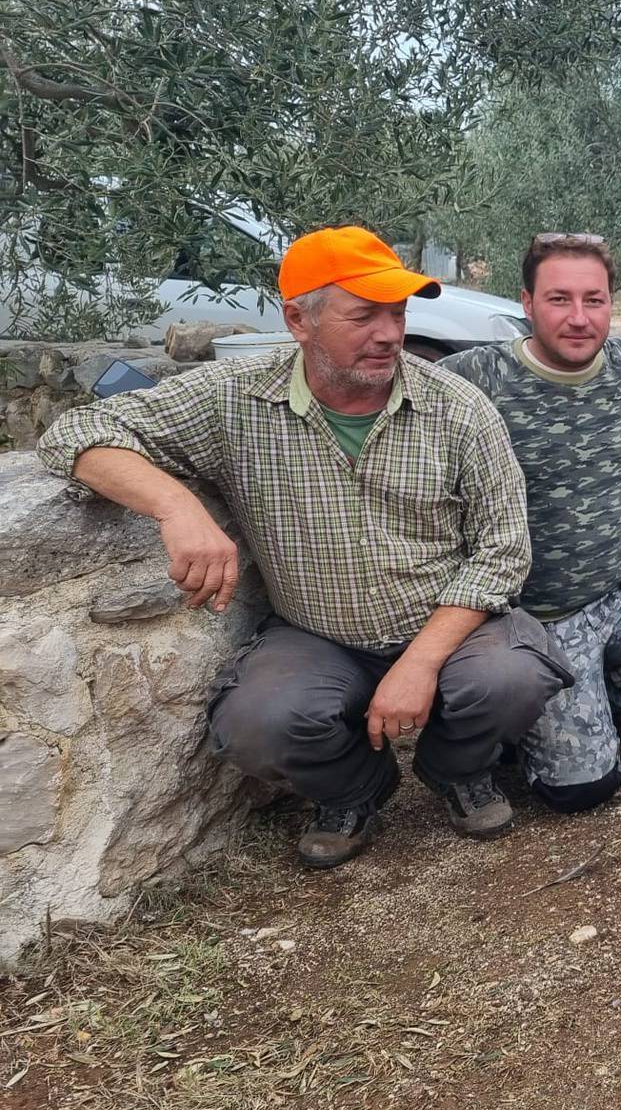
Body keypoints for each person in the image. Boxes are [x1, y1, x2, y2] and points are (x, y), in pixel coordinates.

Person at [38, 227, 571, 867]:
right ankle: (357, 789)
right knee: (255, 724)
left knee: (513, 677)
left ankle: (455, 768)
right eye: (364, 315)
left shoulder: (458, 407)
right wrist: (175, 505)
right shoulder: (234, 397)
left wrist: (420, 663)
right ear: (298, 319)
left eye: (397, 313)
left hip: (449, 626)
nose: (390, 334)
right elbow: (77, 431)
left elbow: (503, 552)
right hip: (318, 632)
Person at [440, 233, 621, 816]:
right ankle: (523, 725)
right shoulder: (472, 379)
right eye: (559, 300)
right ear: (526, 303)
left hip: (615, 597)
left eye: (595, 300)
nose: (579, 318)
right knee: (579, 792)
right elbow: (380, 380)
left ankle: (605, 695)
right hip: (529, 618)